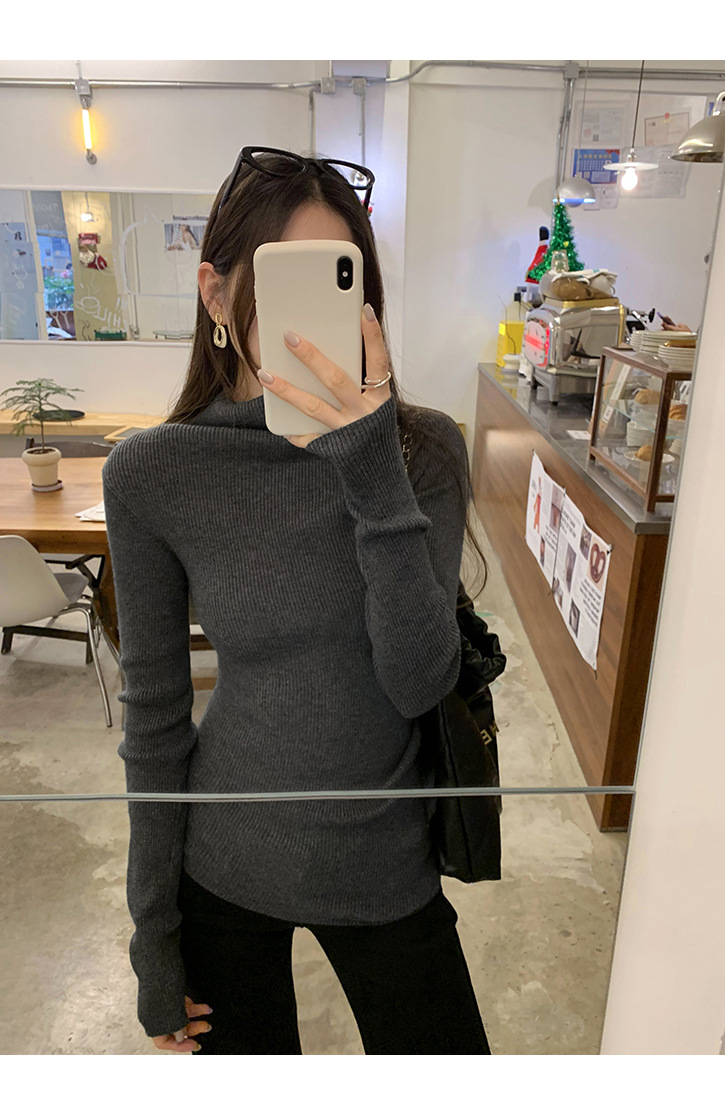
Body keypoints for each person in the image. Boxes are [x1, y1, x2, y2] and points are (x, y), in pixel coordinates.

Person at [102, 149, 492, 1055]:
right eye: (286, 279)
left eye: (340, 279)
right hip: (224, 861)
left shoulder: (422, 452)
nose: (316, 318)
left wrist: (370, 467)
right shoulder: (155, 472)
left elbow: (417, 680)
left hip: (386, 860)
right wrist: (152, 936)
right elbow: (154, 718)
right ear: (215, 292)